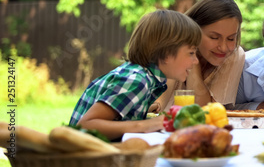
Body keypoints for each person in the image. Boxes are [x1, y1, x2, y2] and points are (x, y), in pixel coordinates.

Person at [69, 9, 201, 141]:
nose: (196, 60)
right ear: (166, 54)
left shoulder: (143, 77)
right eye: (191, 53)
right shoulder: (136, 80)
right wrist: (145, 125)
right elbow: (85, 126)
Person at [150, 0, 245, 112]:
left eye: (231, 38)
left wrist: (192, 61)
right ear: (194, 29)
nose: (224, 47)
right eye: (214, 37)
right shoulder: (171, 47)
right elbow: (157, 105)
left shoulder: (234, 55)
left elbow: (204, 111)